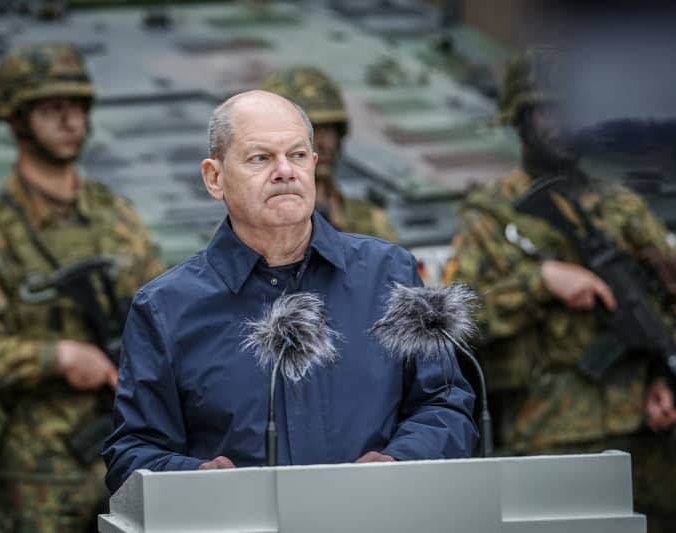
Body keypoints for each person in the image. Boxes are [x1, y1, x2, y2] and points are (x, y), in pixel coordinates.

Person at [102, 90, 477, 493]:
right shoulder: (165, 307)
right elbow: (133, 450)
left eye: (297, 155)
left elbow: (446, 404)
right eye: (260, 158)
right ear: (215, 178)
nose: (284, 171)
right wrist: (197, 481)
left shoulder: (388, 274)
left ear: (314, 166)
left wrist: (400, 460)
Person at [442, 47, 676, 533]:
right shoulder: (489, 217)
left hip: (639, 431)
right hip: (546, 437)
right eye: (548, 111)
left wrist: (673, 381)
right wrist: (538, 283)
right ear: (518, 118)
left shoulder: (622, 208)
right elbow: (456, 320)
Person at [0, 42, 163, 532]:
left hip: (126, 463)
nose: (70, 121)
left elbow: (171, 322)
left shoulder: (115, 217)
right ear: (15, 120)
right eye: (52, 109)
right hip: (33, 481)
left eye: (77, 107)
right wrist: (60, 358)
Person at [259, 66, 397, 241]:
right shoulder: (248, 232)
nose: (325, 143)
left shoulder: (370, 222)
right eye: (312, 129)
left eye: (330, 130)